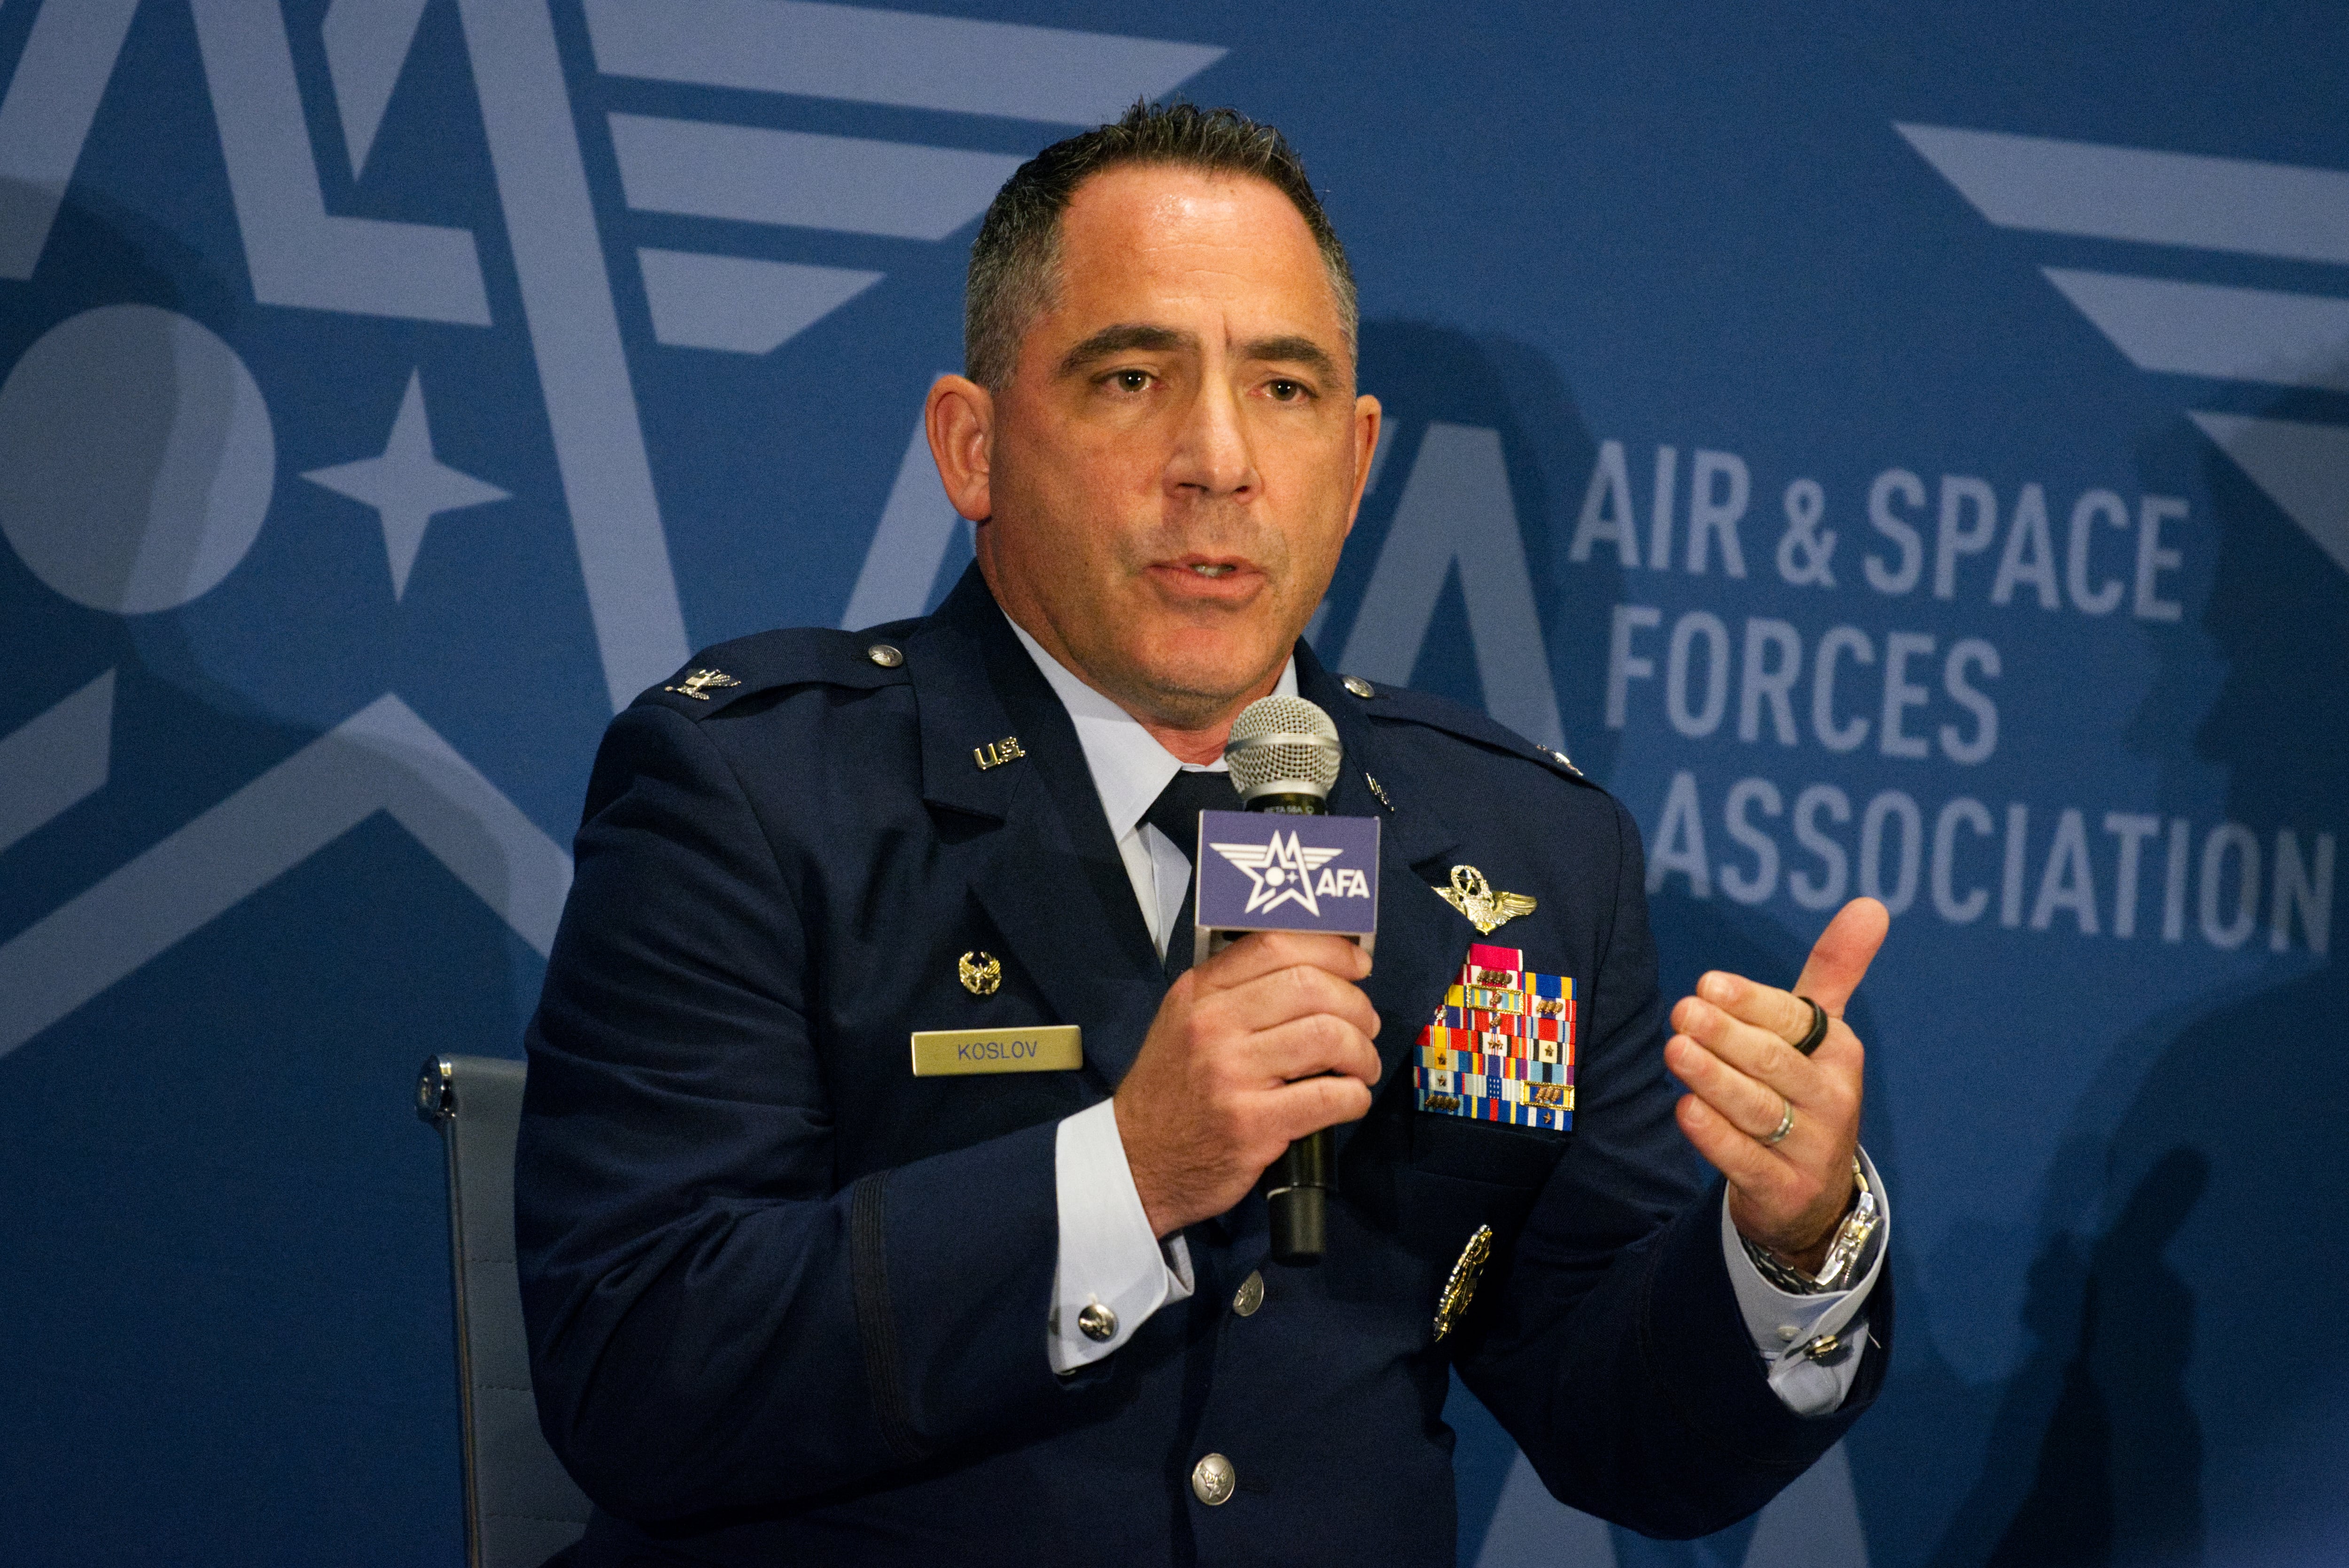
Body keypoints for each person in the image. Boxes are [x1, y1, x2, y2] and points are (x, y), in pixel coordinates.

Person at [517, 102, 1893, 1567]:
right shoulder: (758, 790)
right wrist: (1128, 1171)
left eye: (1287, 391)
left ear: (1356, 467)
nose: (1220, 460)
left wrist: (1791, 1242)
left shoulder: (1524, 861)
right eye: (1132, 376)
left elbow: (1629, 1429)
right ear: (972, 446)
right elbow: (636, 1362)